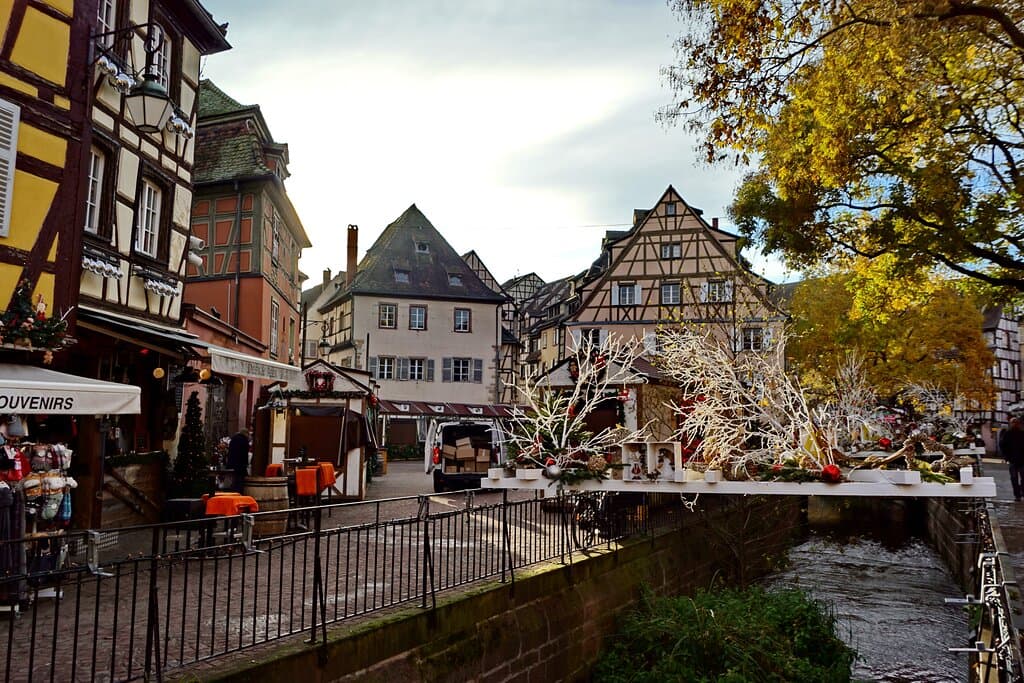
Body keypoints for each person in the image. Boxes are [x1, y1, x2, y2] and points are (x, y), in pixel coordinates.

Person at [999, 418, 1024, 501]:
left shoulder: (1022, 433)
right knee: (1014, 478)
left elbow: (1002, 446)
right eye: (1013, 423)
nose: (1015, 424)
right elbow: (1003, 446)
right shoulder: (1008, 434)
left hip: (1021, 460)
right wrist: (1006, 456)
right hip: (1013, 460)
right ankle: (1017, 495)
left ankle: (1021, 492)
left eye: (1016, 423)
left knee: (1022, 478)